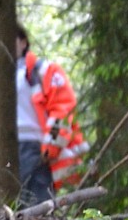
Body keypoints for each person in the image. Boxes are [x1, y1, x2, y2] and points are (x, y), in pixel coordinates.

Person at [15, 23, 88, 205]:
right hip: (6, 144)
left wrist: (52, 144)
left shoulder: (44, 71)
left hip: (35, 147)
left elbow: (63, 109)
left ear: (23, 42)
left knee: (37, 203)